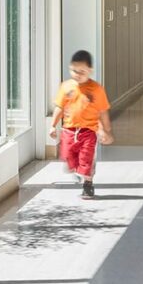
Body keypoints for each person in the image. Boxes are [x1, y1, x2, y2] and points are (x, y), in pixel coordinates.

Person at [48, 50, 114, 200]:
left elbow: (103, 111)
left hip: (89, 131)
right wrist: (53, 125)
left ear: (90, 71)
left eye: (82, 71)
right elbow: (59, 107)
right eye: (74, 70)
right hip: (69, 130)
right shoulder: (66, 86)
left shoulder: (96, 89)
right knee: (67, 156)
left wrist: (106, 131)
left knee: (87, 159)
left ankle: (88, 184)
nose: (78, 74)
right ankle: (76, 169)